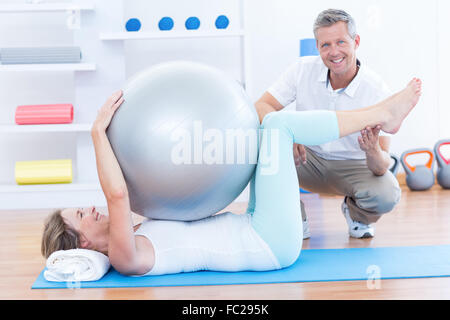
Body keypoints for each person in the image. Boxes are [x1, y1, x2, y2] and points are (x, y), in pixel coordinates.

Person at [40, 78, 421, 276]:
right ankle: (380, 115)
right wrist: (96, 132)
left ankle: (380, 113)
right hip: (269, 243)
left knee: (269, 129)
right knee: (277, 124)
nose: (91, 208)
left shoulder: (136, 234)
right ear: (84, 244)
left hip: (256, 226)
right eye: (81, 215)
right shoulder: (125, 257)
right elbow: (118, 195)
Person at [255, 9, 401, 239]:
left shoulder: (378, 91)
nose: (334, 52)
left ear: (356, 42)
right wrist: (286, 135)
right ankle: (293, 218)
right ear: (317, 46)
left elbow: (381, 166)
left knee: (387, 192)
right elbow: (262, 106)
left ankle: (357, 215)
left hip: (353, 166)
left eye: (341, 42)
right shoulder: (302, 69)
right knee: (259, 145)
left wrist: (373, 150)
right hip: (307, 159)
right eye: (325, 45)